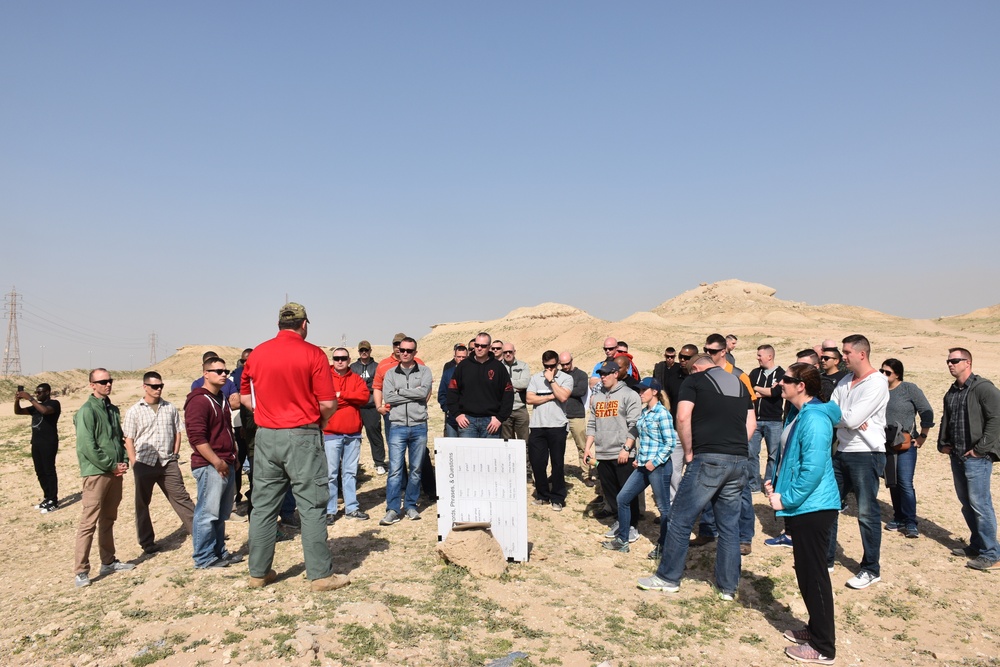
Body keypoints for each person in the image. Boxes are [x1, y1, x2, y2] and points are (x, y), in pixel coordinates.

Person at [240, 303, 349, 591]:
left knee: (262, 506)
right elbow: (327, 403)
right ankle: (320, 576)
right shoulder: (312, 353)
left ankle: (258, 573)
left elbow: (246, 400)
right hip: (302, 434)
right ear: (303, 325)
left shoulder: (257, 353)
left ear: (279, 324)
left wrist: (267, 414)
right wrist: (319, 422)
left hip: (266, 436)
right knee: (312, 505)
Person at [637, 354, 755, 601]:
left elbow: (682, 417)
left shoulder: (694, 381)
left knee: (680, 518)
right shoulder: (740, 383)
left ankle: (668, 577)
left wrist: (689, 451)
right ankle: (727, 587)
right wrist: (735, 446)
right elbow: (751, 423)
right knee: (729, 527)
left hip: (708, 458)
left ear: (697, 368)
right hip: (738, 460)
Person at [765, 363, 842, 665]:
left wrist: (787, 499)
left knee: (815, 575)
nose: (780, 383)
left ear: (801, 386)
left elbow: (812, 469)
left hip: (814, 506)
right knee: (806, 572)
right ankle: (814, 629)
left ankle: (824, 647)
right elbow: (792, 459)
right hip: (803, 505)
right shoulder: (801, 415)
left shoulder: (815, 420)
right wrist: (777, 484)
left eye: (786, 380)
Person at [827, 334, 890, 590]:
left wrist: (846, 418)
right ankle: (827, 558)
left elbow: (850, 420)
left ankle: (870, 569)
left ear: (861, 354)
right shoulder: (844, 381)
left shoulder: (877, 383)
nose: (843, 357)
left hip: (866, 453)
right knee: (829, 506)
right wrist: (846, 418)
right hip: (842, 450)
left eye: (846, 352)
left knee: (866, 512)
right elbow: (831, 411)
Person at [938, 348, 1000, 570]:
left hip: (977, 458)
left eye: (955, 360)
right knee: (967, 504)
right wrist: (943, 442)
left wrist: (980, 449)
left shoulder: (984, 388)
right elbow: (948, 418)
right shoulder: (953, 391)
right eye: (948, 361)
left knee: (980, 504)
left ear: (968, 362)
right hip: (957, 455)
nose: (950, 364)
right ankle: (977, 544)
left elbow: (996, 419)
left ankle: (992, 553)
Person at [602, 378, 676, 560]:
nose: (640, 393)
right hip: (644, 466)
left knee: (664, 508)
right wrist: (641, 460)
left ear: (655, 392)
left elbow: (670, 442)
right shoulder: (645, 413)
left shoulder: (662, 414)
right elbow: (645, 440)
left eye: (644, 390)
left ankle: (664, 546)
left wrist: (654, 461)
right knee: (623, 498)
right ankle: (622, 540)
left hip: (659, 467)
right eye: (640, 390)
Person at [73, 369, 134, 588]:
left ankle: (108, 561)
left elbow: (118, 437)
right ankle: (81, 570)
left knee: (108, 519)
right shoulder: (87, 411)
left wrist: (124, 459)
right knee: (89, 522)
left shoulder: (112, 409)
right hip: (97, 472)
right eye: (102, 382)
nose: (107, 384)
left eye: (109, 380)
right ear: (92, 385)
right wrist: (110, 465)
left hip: (115, 472)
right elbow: (87, 446)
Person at [123, 371, 195, 554]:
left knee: (181, 497)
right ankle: (147, 543)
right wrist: (134, 463)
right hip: (144, 463)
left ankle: (200, 532)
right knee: (142, 503)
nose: (158, 389)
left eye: (161, 386)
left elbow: (178, 431)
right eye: (154, 386)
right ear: (145, 387)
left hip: (167, 462)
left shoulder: (169, 408)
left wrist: (175, 454)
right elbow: (129, 439)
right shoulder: (134, 411)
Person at [185, 356, 240, 569]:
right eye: (218, 371)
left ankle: (219, 552)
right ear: (205, 373)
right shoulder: (199, 400)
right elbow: (197, 438)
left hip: (226, 461)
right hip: (210, 465)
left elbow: (227, 430)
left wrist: (232, 455)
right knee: (207, 513)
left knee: (220, 513)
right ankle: (204, 557)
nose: (224, 374)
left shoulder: (222, 398)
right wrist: (217, 462)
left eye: (225, 371)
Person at [584, 360, 642, 541]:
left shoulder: (629, 395)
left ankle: (632, 525)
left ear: (616, 373)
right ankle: (620, 521)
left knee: (627, 492)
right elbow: (592, 423)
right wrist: (587, 448)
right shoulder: (597, 397)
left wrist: (626, 448)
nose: (603, 377)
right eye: (601, 374)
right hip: (603, 452)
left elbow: (635, 425)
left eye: (606, 373)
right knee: (611, 492)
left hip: (622, 453)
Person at [379, 337, 433, 525]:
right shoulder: (390, 374)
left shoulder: (425, 371)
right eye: (402, 350)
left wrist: (400, 392)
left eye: (409, 351)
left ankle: (410, 505)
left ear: (415, 353)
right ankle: (393, 509)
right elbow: (389, 398)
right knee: (395, 470)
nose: (405, 353)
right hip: (398, 426)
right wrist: (410, 394)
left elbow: (423, 394)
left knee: (416, 469)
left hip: (419, 426)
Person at [880, 358, 933, 539]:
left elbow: (926, 411)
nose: (884, 375)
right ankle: (898, 517)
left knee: (905, 482)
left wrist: (923, 436)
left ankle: (911, 521)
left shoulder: (909, 389)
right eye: (882, 371)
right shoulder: (878, 390)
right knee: (893, 481)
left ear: (897, 374)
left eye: (887, 372)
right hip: (885, 443)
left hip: (906, 443)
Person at [324, 348, 371, 523]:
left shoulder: (356, 379)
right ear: (333, 359)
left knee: (350, 472)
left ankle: (352, 507)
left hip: (353, 433)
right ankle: (330, 510)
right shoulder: (325, 378)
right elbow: (324, 399)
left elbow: (364, 397)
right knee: (331, 473)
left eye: (343, 358)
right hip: (331, 433)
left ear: (349, 359)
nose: (340, 361)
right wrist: (349, 400)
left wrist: (341, 395)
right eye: (336, 358)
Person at [525, 350, 574, 511]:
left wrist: (552, 381)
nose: (549, 369)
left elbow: (563, 397)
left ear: (558, 364)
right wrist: (549, 396)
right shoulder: (535, 378)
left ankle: (558, 498)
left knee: (557, 463)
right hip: (538, 426)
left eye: (552, 366)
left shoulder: (566, 378)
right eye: (546, 366)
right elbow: (529, 398)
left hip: (557, 426)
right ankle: (542, 494)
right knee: (538, 463)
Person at [447, 332, 514, 438]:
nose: (479, 348)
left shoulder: (499, 368)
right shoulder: (463, 366)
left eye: (483, 346)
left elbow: (508, 394)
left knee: (491, 454)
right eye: (476, 345)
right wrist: (457, 415)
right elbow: (452, 391)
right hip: (467, 422)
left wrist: (500, 418)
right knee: (468, 454)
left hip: (491, 423)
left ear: (489, 347)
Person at [14, 382, 61, 512]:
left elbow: (45, 411)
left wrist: (30, 397)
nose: (37, 394)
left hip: (49, 443)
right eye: (36, 392)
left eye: (39, 392)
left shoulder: (54, 404)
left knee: (49, 470)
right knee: (40, 471)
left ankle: (53, 500)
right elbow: (18, 412)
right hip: (36, 443)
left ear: (47, 392)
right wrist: (17, 400)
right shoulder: (35, 406)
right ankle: (47, 497)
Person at [748, 345, 786, 492]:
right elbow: (749, 391)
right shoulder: (754, 373)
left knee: (774, 455)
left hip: (774, 421)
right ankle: (753, 485)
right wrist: (766, 391)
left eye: (760, 355)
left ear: (769, 356)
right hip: (755, 420)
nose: (757, 358)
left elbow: (776, 392)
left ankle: (769, 485)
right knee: (751, 453)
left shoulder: (782, 374)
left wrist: (757, 388)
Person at [351, 341, 387, 475]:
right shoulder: (353, 367)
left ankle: (379, 463)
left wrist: (365, 386)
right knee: (353, 437)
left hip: (372, 406)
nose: (364, 352)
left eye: (366, 350)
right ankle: (352, 465)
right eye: (361, 350)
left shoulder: (377, 367)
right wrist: (367, 385)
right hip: (356, 407)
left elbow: (378, 385)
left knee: (375, 435)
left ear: (370, 351)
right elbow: (352, 385)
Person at [559, 351, 592, 486]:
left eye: (567, 363)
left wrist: (562, 389)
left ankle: (586, 474)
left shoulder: (581, 375)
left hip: (576, 415)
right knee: (558, 447)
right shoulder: (558, 375)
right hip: (560, 415)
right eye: (563, 364)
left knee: (583, 446)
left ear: (572, 361)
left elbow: (581, 391)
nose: (565, 367)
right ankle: (557, 473)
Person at [500, 343, 531, 441]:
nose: (508, 354)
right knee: (507, 442)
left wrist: (507, 383)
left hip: (520, 408)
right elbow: (497, 386)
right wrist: (515, 387)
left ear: (514, 352)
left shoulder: (523, 366)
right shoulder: (498, 366)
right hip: (504, 409)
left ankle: (526, 457)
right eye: (505, 352)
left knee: (524, 441)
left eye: (510, 352)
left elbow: (525, 383)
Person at [438, 345, 468, 437]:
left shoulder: (474, 373)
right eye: (459, 357)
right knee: (451, 448)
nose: (461, 359)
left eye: (464, 357)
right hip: (451, 418)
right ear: (454, 357)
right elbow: (442, 394)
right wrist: (447, 409)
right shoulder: (448, 373)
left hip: (467, 419)